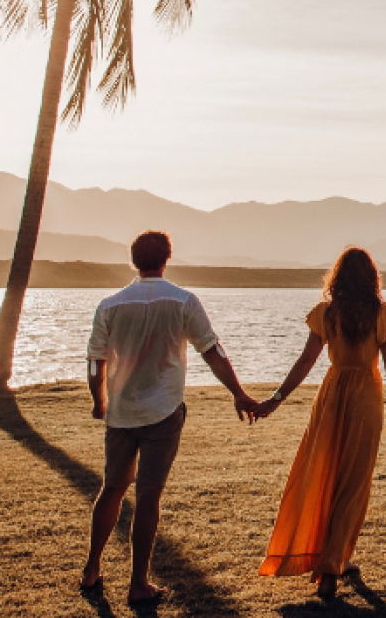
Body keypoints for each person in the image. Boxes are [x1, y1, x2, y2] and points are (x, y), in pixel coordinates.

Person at [83, 230, 260, 607]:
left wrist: (99, 402)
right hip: (163, 412)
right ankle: (138, 583)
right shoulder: (182, 301)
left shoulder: (110, 305)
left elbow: (96, 362)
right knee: (149, 494)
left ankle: (91, 569)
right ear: (166, 259)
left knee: (112, 489)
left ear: (134, 261)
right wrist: (238, 393)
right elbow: (213, 351)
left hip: (121, 413)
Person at [256, 246, 386, 601]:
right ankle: (334, 563)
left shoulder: (326, 314)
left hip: (331, 396)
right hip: (365, 397)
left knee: (324, 474)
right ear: (372, 278)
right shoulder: (383, 315)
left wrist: (277, 398)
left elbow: (305, 362)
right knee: (353, 483)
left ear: (338, 277)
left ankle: (333, 561)